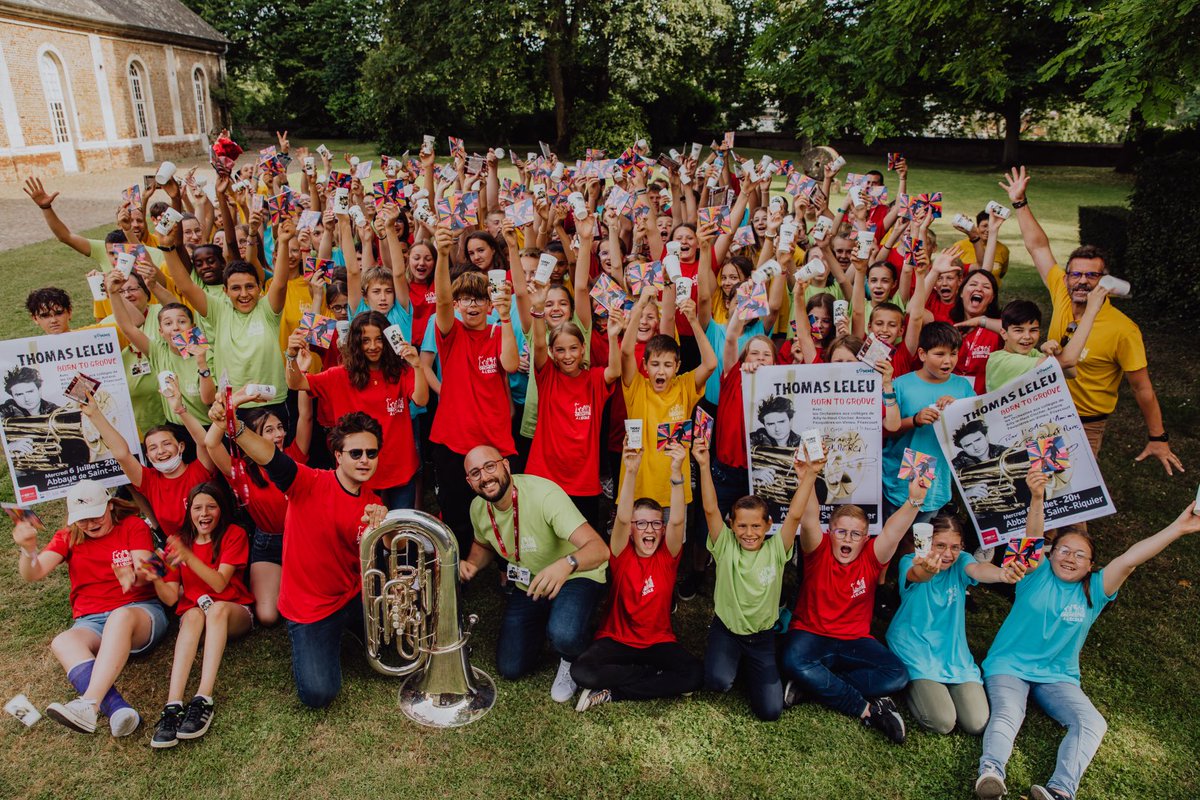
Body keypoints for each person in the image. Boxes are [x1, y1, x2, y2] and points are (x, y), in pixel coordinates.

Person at [974, 500, 1200, 800]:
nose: (1070, 558)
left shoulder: (1096, 588)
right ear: (1049, 554)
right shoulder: (1033, 573)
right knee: (1008, 712)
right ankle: (991, 774)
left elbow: (1131, 558)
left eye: (1080, 555)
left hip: (1058, 677)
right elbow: (1032, 535)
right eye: (1064, 551)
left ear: (1090, 565)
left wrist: (1179, 528)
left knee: (1092, 722)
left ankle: (1060, 791)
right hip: (1009, 667)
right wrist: (1038, 494)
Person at [1001, 167, 1183, 473]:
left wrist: (1158, 437)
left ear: (1105, 280)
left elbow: (1142, 389)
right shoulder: (1061, 289)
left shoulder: (1123, 329)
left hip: (1085, 424)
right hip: (1044, 409)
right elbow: (1038, 247)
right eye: (1076, 274)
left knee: (1073, 497)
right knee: (1036, 489)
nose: (1081, 281)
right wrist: (1020, 203)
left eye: (1091, 275)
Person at [213, 402, 386, 708]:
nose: (364, 460)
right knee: (319, 694)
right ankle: (323, 640)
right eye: (355, 453)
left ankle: (346, 635)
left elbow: (385, 555)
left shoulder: (373, 502)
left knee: (400, 649)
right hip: (310, 608)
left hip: (352, 596)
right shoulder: (309, 482)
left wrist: (385, 529)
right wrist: (236, 429)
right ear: (337, 456)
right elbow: (272, 458)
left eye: (371, 453)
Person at [779, 467, 927, 743]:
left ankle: (813, 686)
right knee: (791, 660)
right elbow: (809, 518)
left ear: (865, 538)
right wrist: (808, 477)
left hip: (853, 640)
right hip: (811, 634)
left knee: (897, 675)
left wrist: (914, 501)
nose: (847, 539)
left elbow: (894, 533)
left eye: (855, 534)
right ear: (830, 532)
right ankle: (865, 708)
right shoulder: (818, 549)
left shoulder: (872, 557)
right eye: (841, 532)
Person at [12, 480, 168, 736]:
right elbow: (34, 573)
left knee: (119, 617)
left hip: (138, 612)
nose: (90, 524)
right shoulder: (68, 536)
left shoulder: (132, 526)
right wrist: (28, 549)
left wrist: (133, 576)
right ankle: (118, 710)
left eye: (95, 516)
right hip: (91, 621)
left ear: (109, 506)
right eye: (82, 519)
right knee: (63, 641)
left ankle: (91, 704)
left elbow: (151, 570)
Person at [457, 445, 609, 703]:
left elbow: (599, 550)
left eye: (489, 466)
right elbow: (483, 544)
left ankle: (569, 655)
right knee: (510, 666)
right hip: (530, 582)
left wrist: (566, 564)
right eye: (475, 473)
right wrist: (471, 563)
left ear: (506, 465)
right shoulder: (477, 508)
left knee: (564, 634)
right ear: (469, 482)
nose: (484, 477)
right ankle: (555, 618)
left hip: (576, 573)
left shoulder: (544, 494)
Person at [692, 437, 816, 722]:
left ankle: (754, 667)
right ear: (731, 525)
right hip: (727, 631)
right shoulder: (725, 546)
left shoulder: (776, 549)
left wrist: (809, 475)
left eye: (756, 526)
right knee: (718, 682)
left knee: (770, 712)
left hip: (761, 638)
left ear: (768, 526)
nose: (749, 533)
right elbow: (710, 509)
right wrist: (704, 464)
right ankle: (731, 660)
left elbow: (795, 515)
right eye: (742, 526)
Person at [571, 442, 702, 710]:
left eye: (655, 523)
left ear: (662, 529)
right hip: (617, 638)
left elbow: (677, 520)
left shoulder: (668, 555)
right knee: (582, 672)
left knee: (695, 674)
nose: (649, 529)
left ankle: (614, 693)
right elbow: (621, 519)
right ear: (632, 529)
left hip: (658, 642)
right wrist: (630, 471)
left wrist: (677, 471)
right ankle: (654, 678)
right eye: (641, 523)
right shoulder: (621, 552)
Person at [885, 504, 1030, 735]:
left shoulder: (961, 561)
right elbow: (919, 575)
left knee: (977, 723)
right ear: (926, 543)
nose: (948, 554)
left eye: (955, 547)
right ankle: (913, 685)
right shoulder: (911, 562)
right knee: (942, 722)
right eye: (940, 545)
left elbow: (978, 570)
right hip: (916, 651)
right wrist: (929, 570)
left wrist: (1001, 574)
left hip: (954, 655)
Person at [144, 482, 254, 748]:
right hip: (198, 622)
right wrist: (153, 577)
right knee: (192, 615)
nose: (204, 514)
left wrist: (188, 557)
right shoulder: (179, 540)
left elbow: (219, 585)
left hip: (233, 612)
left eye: (211, 507)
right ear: (189, 510)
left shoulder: (233, 534)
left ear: (221, 510)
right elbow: (171, 598)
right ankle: (172, 706)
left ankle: (203, 698)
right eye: (197, 508)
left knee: (215, 609)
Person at [287, 310, 426, 509]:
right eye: (365, 340)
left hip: (399, 468)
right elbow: (296, 383)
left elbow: (421, 400)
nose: (373, 346)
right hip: (357, 472)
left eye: (378, 339)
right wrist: (291, 357)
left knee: (399, 533)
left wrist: (418, 366)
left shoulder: (401, 371)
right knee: (360, 536)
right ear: (355, 343)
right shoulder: (339, 375)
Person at [201, 393, 309, 626]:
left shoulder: (295, 455)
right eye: (269, 430)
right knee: (268, 616)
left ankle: (293, 584)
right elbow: (210, 443)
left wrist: (301, 379)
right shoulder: (240, 471)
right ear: (251, 436)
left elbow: (306, 417)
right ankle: (285, 582)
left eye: (280, 427)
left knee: (308, 603)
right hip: (267, 543)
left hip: (304, 540)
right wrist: (229, 407)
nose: (278, 434)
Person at [80, 383, 215, 539]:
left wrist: (180, 410)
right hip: (180, 555)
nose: (161, 451)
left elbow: (203, 442)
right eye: (153, 448)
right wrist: (94, 414)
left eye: (167, 444)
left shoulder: (200, 470)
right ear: (148, 457)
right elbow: (122, 454)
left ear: (181, 446)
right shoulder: (149, 481)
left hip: (215, 547)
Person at [881, 321, 975, 522]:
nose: (948, 361)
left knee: (921, 533)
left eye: (953, 354)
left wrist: (957, 407)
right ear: (922, 354)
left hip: (938, 474)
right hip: (900, 473)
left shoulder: (963, 386)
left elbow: (976, 424)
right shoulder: (901, 385)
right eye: (940, 354)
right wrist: (915, 420)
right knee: (896, 531)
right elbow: (885, 429)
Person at [984, 291, 1105, 393]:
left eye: (1033, 330)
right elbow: (1068, 361)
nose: (1027, 336)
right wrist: (1090, 311)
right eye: (1018, 330)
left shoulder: (1032, 354)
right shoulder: (1000, 360)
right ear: (1004, 333)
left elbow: (1071, 373)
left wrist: (1057, 352)